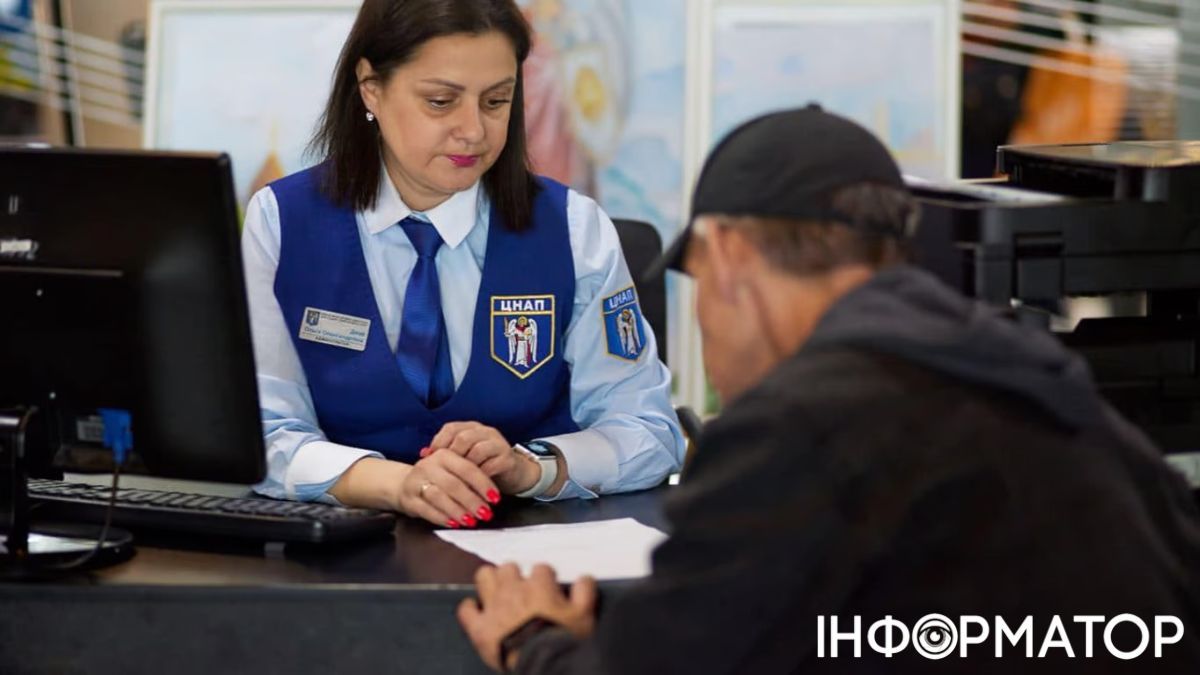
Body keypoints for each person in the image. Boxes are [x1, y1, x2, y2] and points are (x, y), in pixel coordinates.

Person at [456, 106, 1200, 672]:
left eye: (700, 286)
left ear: (729, 252)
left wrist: (535, 639)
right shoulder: (1032, 374)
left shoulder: (800, 422)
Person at [239, 0, 684, 529]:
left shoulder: (573, 229)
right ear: (371, 88)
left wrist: (530, 468)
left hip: (527, 556)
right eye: (441, 101)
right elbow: (259, 433)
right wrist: (398, 485)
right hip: (335, 555)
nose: (473, 130)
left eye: (496, 101)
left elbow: (650, 430)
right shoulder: (282, 223)